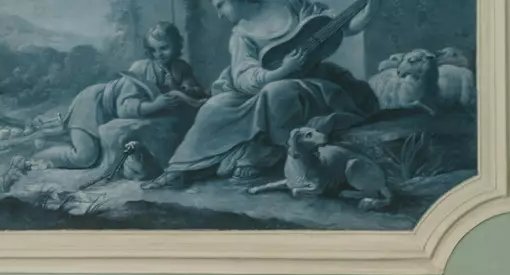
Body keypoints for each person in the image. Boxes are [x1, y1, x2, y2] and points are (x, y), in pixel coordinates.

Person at [151, 0, 379, 187]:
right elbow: (244, 77)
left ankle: (266, 154)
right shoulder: (241, 35)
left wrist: (369, 13)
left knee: (278, 92)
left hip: (310, 84)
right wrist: (283, 70)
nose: (220, 14)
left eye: (221, 5)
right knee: (215, 105)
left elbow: (339, 27)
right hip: (260, 85)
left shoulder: (294, 6)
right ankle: (182, 167)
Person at [22, 21, 205, 174]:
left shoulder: (180, 67)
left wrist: (191, 90)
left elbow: (192, 86)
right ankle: (36, 157)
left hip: (105, 109)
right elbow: (124, 108)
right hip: (93, 105)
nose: (158, 54)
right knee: (85, 157)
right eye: (153, 50)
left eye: (164, 48)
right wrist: (155, 105)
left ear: (176, 45)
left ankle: (54, 136)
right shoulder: (141, 68)